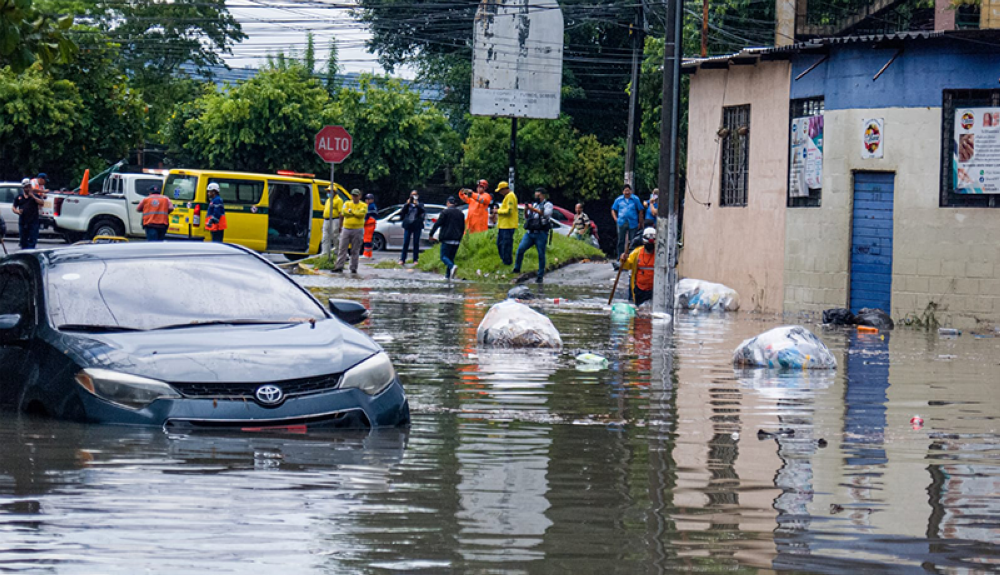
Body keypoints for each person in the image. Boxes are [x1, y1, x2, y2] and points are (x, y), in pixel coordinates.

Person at [513, 187, 553, 284]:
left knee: (541, 254)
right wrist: (527, 210)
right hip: (530, 233)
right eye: (535, 195)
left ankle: (540, 275)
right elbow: (527, 217)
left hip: (541, 233)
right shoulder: (534, 204)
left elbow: (546, 214)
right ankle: (516, 269)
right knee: (520, 249)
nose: (536, 197)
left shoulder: (548, 205)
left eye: (538, 195)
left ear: (543, 195)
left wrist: (533, 209)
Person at [428, 196, 465, 279]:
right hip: (456, 239)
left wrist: (431, 234)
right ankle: (448, 276)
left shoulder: (445, 212)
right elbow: (462, 227)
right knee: (451, 258)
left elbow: (437, 224)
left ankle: (452, 267)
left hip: (447, 238)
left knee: (443, 256)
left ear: (448, 203)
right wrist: (460, 237)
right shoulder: (461, 214)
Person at [333, 189, 368, 273]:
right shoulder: (347, 203)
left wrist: (351, 212)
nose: (354, 197)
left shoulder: (363, 205)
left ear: (360, 196)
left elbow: (361, 214)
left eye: (356, 195)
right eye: (353, 195)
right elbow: (344, 213)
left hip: (358, 229)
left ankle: (353, 267)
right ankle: (339, 266)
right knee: (342, 248)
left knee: (355, 249)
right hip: (346, 228)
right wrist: (355, 212)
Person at [621, 227, 657, 306]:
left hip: (654, 290)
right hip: (640, 290)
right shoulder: (637, 252)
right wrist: (624, 260)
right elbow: (628, 265)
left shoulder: (659, 254)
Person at [611, 184, 644, 261]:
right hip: (621, 222)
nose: (627, 192)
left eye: (628, 191)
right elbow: (613, 209)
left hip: (633, 222)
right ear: (623, 192)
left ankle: (632, 258)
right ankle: (620, 257)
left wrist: (640, 222)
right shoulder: (618, 200)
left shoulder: (635, 199)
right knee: (620, 240)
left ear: (631, 191)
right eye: (625, 191)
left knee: (633, 241)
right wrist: (616, 219)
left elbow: (640, 210)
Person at [12, 178, 43, 249]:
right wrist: (17, 211)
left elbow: (41, 203)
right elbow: (13, 207)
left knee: (32, 239)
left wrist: (33, 197)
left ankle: (31, 252)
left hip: (33, 222)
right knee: (23, 240)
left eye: (29, 186)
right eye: (26, 187)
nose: (28, 189)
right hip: (23, 222)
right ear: (23, 188)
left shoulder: (35, 196)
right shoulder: (19, 197)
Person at [399, 190, 426, 264]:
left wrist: (417, 205)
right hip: (408, 225)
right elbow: (402, 212)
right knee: (405, 242)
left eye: (415, 195)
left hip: (417, 225)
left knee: (416, 242)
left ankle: (415, 259)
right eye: (412, 195)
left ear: (417, 196)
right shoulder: (407, 204)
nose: (413, 196)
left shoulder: (420, 204)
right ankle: (402, 259)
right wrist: (407, 204)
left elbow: (423, 211)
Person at [495, 181, 517, 265]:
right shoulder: (507, 197)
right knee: (500, 244)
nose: (500, 193)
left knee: (506, 245)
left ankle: (507, 262)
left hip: (508, 225)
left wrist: (498, 211)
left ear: (505, 189)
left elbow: (509, 211)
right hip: (503, 225)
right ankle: (504, 260)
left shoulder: (510, 196)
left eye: (500, 191)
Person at [322, 186, 345, 257]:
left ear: (334, 192)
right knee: (325, 237)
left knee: (336, 237)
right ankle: (325, 254)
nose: (328, 193)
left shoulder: (339, 200)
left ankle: (338, 252)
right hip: (326, 220)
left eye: (329, 191)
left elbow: (341, 213)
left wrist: (340, 225)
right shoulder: (328, 200)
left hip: (335, 220)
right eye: (328, 191)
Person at [362, 193, 378, 258]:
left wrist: (363, 222)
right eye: (366, 199)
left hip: (369, 224)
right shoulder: (372, 205)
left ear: (371, 200)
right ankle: (369, 254)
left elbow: (366, 215)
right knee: (368, 239)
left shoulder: (370, 206)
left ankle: (366, 254)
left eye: (368, 199)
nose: (366, 200)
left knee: (367, 239)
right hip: (370, 224)